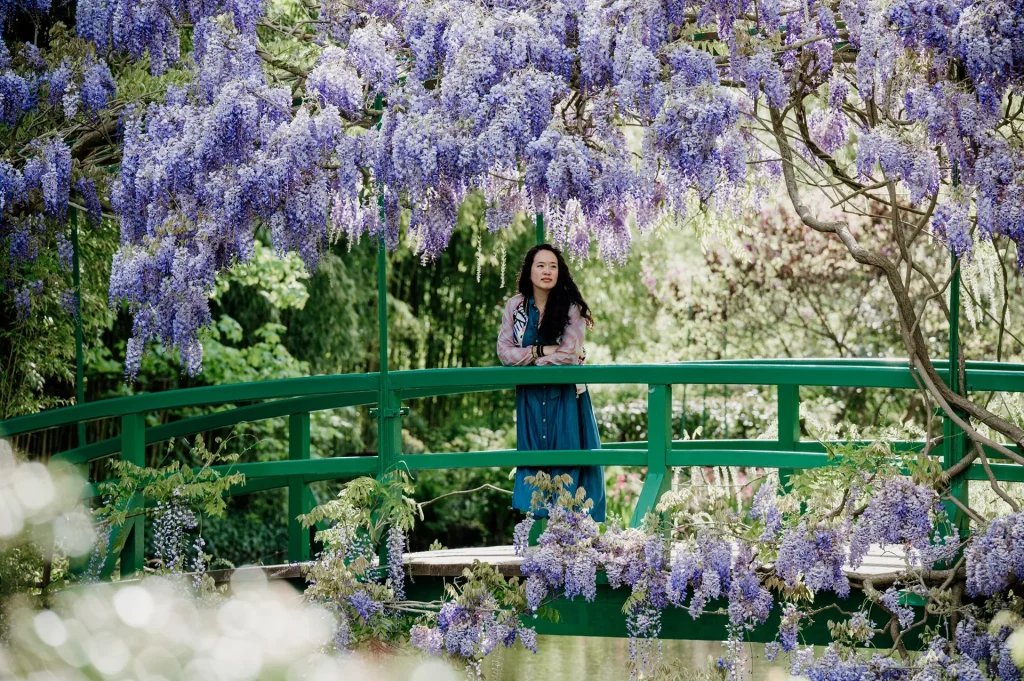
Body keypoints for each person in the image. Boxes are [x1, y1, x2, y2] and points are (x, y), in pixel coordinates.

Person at [496, 243, 607, 522]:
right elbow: (504, 353)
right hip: (531, 399)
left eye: (553, 266)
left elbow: (569, 355)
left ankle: (570, 537)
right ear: (529, 271)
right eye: (541, 265)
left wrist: (532, 362)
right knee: (535, 460)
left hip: (566, 396)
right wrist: (541, 351)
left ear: (560, 272)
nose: (547, 271)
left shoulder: (572, 307)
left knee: (569, 460)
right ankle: (542, 543)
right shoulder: (515, 307)